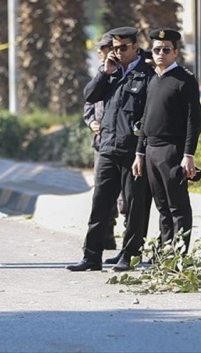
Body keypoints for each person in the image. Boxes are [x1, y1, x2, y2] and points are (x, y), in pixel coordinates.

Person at [67, 26, 155, 272]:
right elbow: (90, 96)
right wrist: (104, 72)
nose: (118, 52)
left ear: (136, 48)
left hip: (132, 150)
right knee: (100, 204)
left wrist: (141, 150)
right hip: (107, 147)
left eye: (123, 48)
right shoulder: (110, 72)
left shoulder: (146, 75)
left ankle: (129, 254)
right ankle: (91, 256)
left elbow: (149, 117)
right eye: (115, 48)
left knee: (134, 206)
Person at [132, 28, 201, 253]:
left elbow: (196, 120)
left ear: (175, 52)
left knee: (177, 206)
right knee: (161, 206)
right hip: (151, 150)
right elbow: (145, 119)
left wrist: (188, 155)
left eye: (166, 49)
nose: (160, 53)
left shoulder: (184, 80)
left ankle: (179, 256)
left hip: (172, 150)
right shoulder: (154, 80)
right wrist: (139, 153)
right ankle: (165, 254)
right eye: (156, 50)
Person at [83, 33, 119, 251]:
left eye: (104, 48)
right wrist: (91, 123)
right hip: (101, 142)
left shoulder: (123, 74)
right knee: (103, 192)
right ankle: (106, 235)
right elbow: (88, 105)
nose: (100, 52)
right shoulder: (99, 75)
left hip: (122, 142)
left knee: (125, 197)